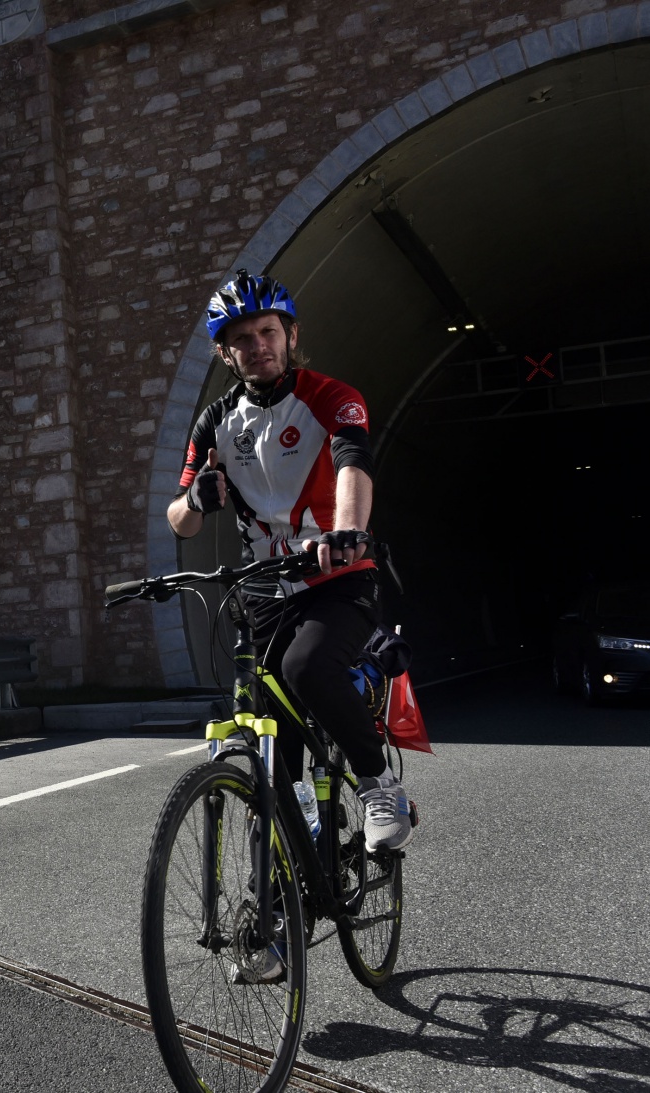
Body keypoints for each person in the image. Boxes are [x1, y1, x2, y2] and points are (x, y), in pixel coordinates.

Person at [167, 270, 413, 854]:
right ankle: (281, 907)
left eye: (268, 332)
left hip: (337, 577)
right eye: (243, 339)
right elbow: (180, 520)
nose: (258, 346)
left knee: (307, 670)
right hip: (263, 592)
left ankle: (380, 786)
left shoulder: (333, 398)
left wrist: (349, 530)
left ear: (291, 335)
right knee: (261, 730)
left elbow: (353, 462)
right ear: (226, 353)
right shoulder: (215, 422)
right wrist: (195, 500)